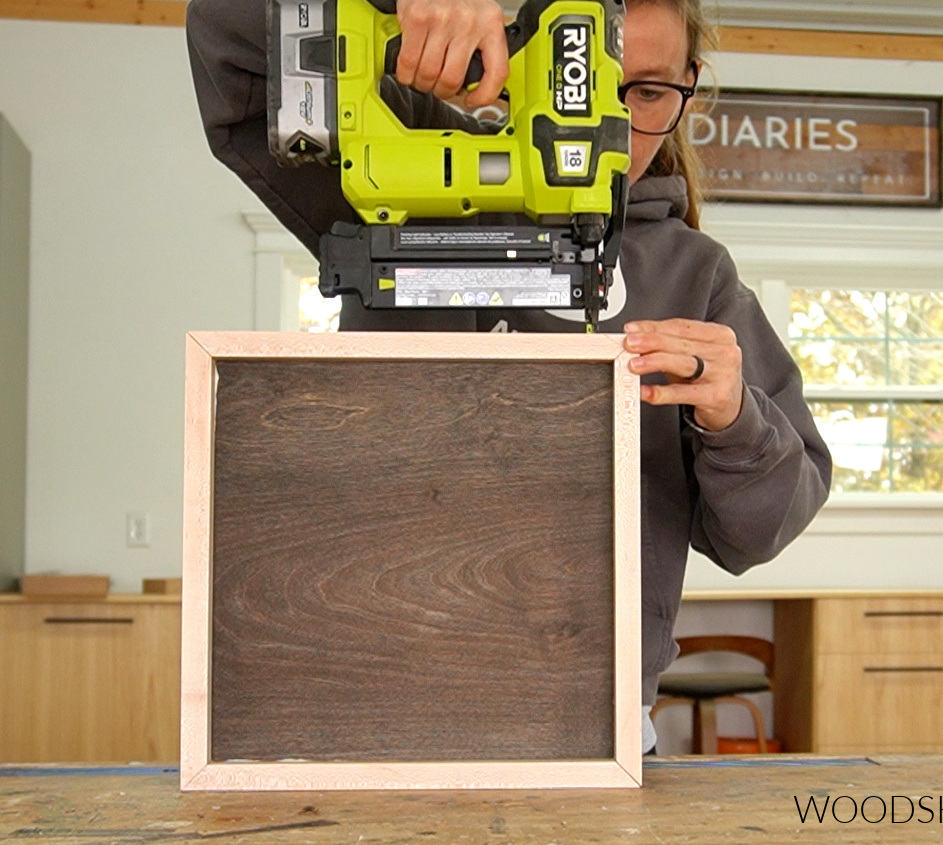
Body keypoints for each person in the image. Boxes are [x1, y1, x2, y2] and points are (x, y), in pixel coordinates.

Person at [186, 0, 832, 753]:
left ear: (689, 87)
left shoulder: (696, 274)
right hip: (380, 713)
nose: (613, 124)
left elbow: (760, 530)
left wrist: (734, 419)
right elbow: (228, 36)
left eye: (647, 92)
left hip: (601, 730)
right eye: (585, 82)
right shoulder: (400, 177)